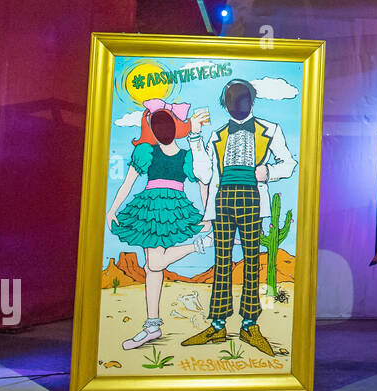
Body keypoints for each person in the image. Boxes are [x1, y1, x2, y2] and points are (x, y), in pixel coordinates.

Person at [183, 79, 295, 355]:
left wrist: (267, 172)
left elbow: (289, 163)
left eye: (242, 99)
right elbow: (204, 175)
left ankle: (249, 324)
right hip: (223, 199)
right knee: (221, 260)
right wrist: (195, 138)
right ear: (226, 105)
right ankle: (218, 324)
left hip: (252, 198)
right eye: (232, 100)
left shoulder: (270, 130)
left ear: (252, 101)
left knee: (249, 259)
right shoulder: (216, 135)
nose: (238, 105)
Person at [106, 100, 212, 350]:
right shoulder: (146, 152)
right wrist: (112, 208)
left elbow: (203, 182)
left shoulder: (186, 157)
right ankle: (152, 325)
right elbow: (129, 181)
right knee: (152, 268)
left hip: (173, 207)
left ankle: (199, 245)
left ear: (177, 127)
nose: (162, 130)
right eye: (157, 125)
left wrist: (208, 213)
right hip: (149, 207)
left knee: (154, 263)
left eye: (167, 124)